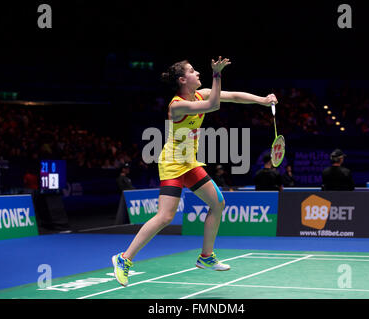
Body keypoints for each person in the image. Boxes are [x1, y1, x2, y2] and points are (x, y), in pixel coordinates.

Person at [112, 56, 278, 287]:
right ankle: (124, 259)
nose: (198, 72)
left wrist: (263, 100)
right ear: (183, 80)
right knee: (165, 216)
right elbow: (214, 105)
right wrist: (217, 74)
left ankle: (206, 257)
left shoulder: (201, 94)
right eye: (192, 71)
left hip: (189, 163)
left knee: (218, 203)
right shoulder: (177, 105)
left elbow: (232, 96)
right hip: (172, 163)